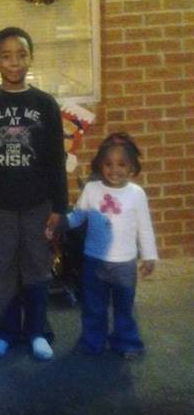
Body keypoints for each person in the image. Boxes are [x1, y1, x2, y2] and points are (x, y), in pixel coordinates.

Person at [0, 26, 68, 361]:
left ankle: (38, 331)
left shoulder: (45, 104)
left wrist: (59, 206)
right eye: (6, 56)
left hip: (38, 205)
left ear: (31, 58)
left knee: (38, 268)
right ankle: (2, 332)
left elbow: (56, 159)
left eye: (21, 55)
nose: (14, 62)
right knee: (2, 271)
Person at [47, 132, 157, 359]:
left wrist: (149, 256)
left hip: (124, 265)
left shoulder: (136, 194)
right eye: (108, 164)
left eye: (122, 164)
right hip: (94, 261)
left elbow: (145, 227)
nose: (114, 170)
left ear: (132, 167)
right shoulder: (92, 190)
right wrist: (60, 223)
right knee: (93, 305)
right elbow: (78, 216)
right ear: (99, 165)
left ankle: (127, 342)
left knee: (123, 307)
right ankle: (92, 341)